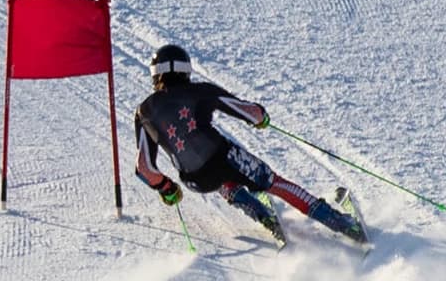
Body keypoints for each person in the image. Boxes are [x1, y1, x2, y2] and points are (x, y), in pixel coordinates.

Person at [134, 44, 365, 244]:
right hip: (225, 158)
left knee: (220, 180)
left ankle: (262, 214)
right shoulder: (200, 91)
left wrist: (167, 188)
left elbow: (144, 167)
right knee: (272, 182)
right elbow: (250, 112)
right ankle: (342, 224)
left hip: (194, 180)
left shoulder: (144, 112)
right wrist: (261, 119)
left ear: (155, 74)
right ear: (186, 69)